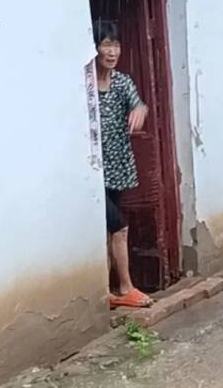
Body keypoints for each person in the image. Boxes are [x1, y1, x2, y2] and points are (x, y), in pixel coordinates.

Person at [93, 20, 153, 309]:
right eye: (106, 44)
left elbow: (139, 104)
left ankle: (109, 293)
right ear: (95, 48)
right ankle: (125, 287)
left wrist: (140, 110)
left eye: (115, 45)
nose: (112, 51)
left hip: (115, 169)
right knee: (118, 226)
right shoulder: (86, 85)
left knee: (107, 230)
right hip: (92, 171)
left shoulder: (121, 82)